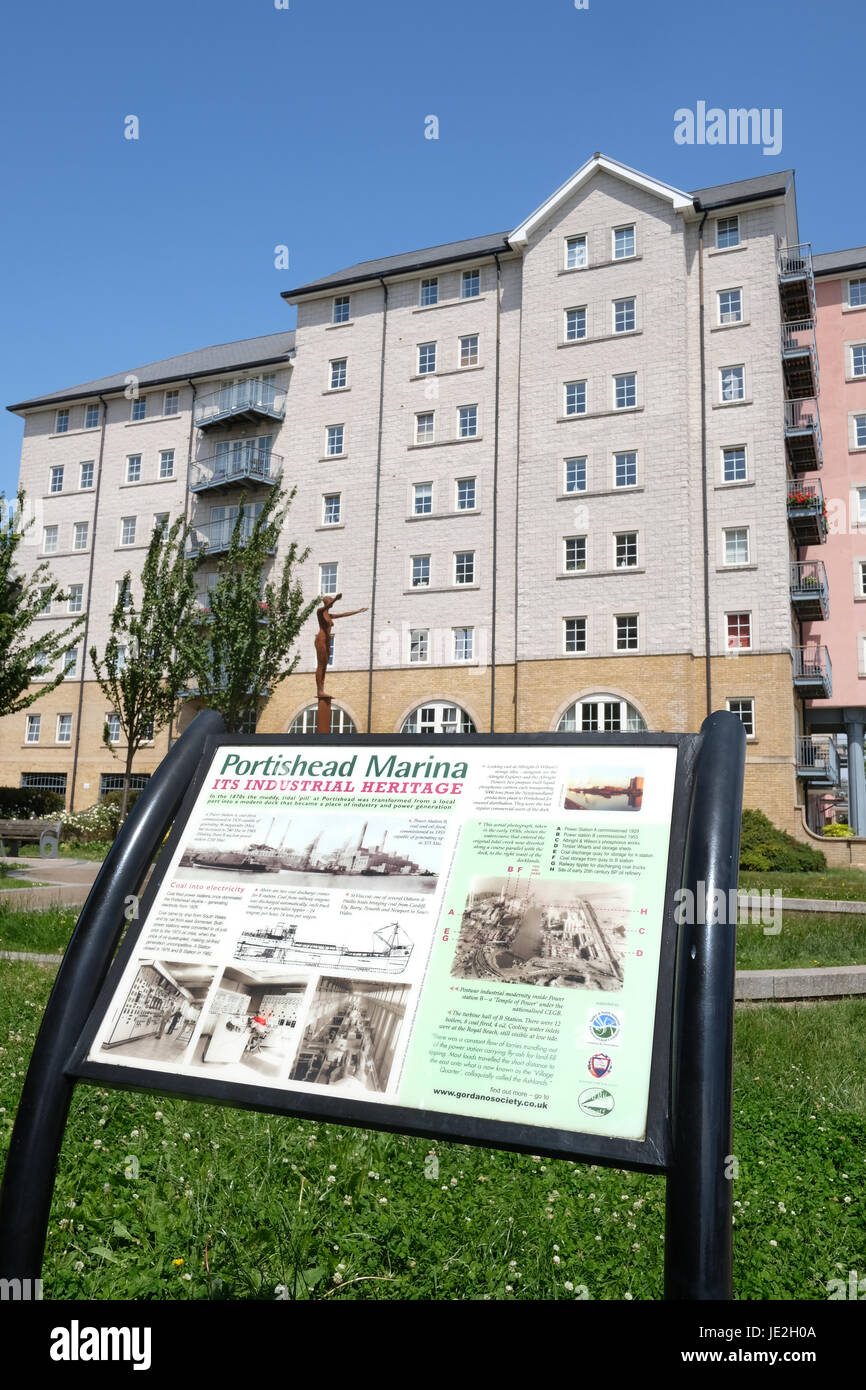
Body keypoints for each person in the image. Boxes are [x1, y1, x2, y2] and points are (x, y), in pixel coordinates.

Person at [314, 593, 368, 697]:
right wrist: (335, 599)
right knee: (320, 665)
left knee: (325, 666)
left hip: (327, 641)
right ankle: (319, 690)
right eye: (330, 600)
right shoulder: (320, 612)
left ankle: (322, 689)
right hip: (321, 640)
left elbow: (343, 614)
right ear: (327, 602)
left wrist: (357, 611)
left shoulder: (329, 615)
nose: (331, 602)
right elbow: (326, 607)